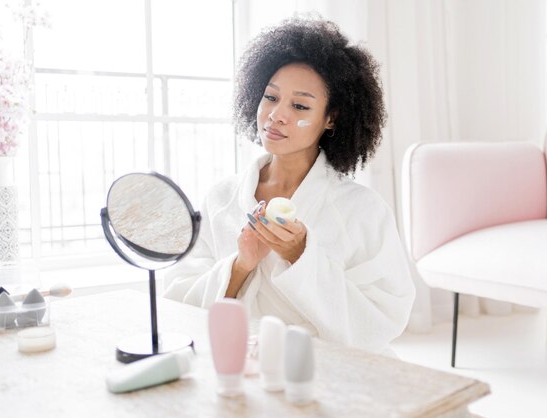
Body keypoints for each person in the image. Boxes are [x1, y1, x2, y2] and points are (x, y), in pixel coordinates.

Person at [164, 18, 415, 353]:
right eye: (270, 97)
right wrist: (241, 264)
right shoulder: (221, 198)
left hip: (331, 369)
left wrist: (300, 256)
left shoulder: (362, 209)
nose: (276, 115)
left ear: (331, 118)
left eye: (299, 105)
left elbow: (383, 318)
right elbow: (181, 304)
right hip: (241, 364)